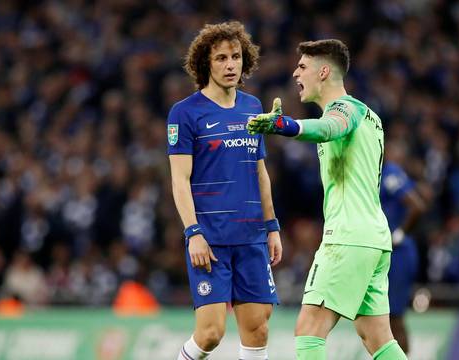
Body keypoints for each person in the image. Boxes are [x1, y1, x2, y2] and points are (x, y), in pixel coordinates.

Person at [248, 39, 407, 359]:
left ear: (324, 71)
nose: (295, 73)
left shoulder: (345, 109)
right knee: (378, 338)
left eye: (303, 66)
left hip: (347, 236)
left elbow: (328, 128)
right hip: (374, 237)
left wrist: (287, 126)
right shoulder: (371, 117)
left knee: (309, 328)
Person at [168, 21, 282, 360]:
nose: (230, 64)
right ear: (206, 63)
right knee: (211, 334)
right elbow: (179, 180)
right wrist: (193, 233)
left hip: (251, 236)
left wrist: (272, 226)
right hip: (211, 239)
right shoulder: (185, 113)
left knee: (258, 327)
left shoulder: (252, 107)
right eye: (220, 58)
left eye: (235, 57)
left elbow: (261, 172)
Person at [379, 140, 427, 354]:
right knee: (385, 318)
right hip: (386, 251)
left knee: (394, 316)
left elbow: (416, 206)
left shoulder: (390, 173)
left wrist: (398, 234)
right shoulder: (377, 174)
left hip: (398, 252)